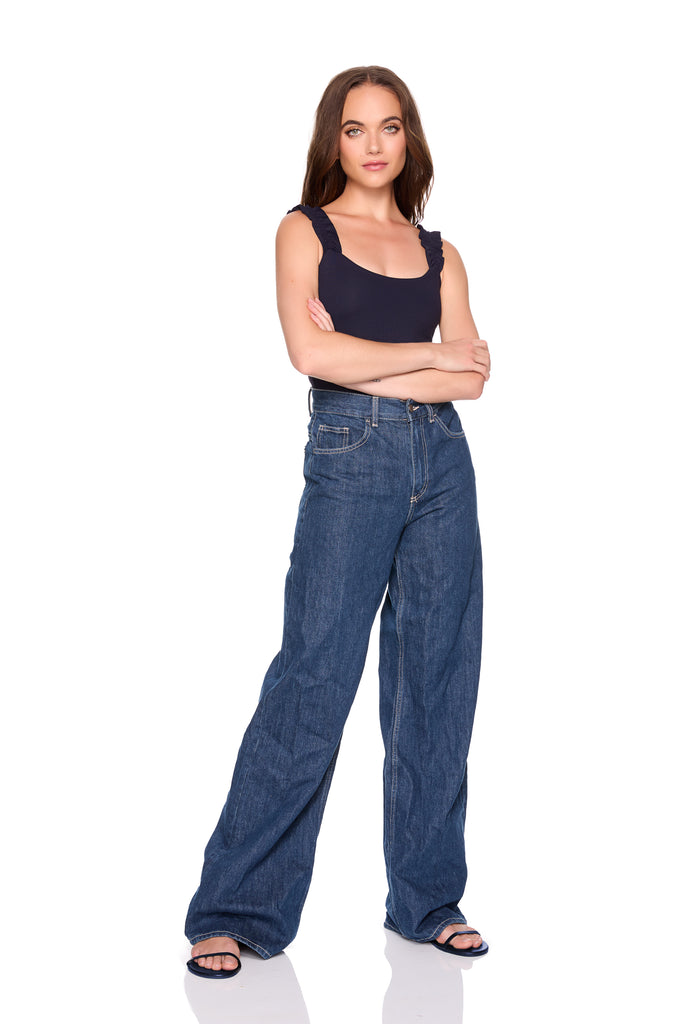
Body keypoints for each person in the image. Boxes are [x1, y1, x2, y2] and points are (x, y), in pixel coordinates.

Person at [185, 65, 491, 979]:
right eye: (354, 129)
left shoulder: (441, 251)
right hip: (351, 456)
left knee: (436, 678)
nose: (372, 145)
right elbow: (307, 352)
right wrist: (421, 359)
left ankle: (426, 901)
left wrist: (372, 357)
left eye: (388, 127)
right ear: (333, 141)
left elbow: (472, 376)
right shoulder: (302, 231)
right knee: (313, 677)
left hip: (444, 462)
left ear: (409, 138)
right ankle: (234, 911)